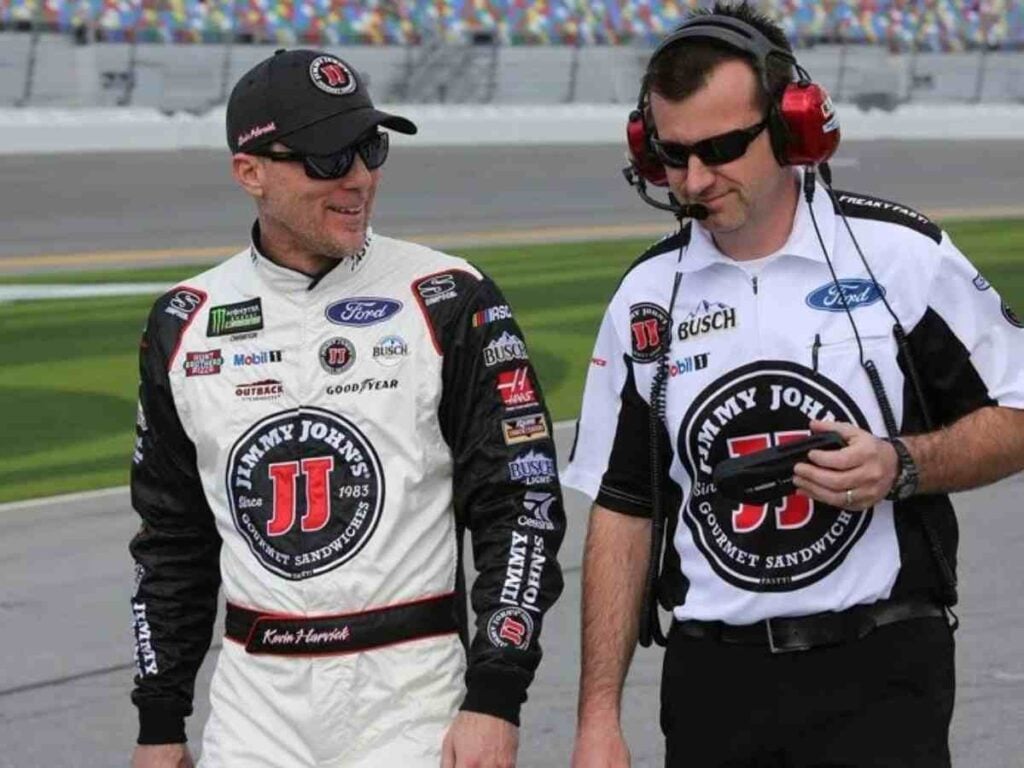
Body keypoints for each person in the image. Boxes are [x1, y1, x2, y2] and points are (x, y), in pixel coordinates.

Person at [565, 3, 1024, 767]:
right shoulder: (645, 297)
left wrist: (902, 465)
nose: (694, 181)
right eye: (673, 156)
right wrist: (597, 718)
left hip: (882, 673)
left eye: (721, 149)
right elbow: (624, 509)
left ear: (793, 128)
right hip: (715, 683)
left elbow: (1018, 410)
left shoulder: (902, 259)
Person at [128, 49, 565, 768]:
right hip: (253, 711)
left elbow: (520, 504)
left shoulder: (448, 295)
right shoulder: (186, 320)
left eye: (371, 146)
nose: (359, 176)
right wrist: (160, 716)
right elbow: (171, 542)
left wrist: (495, 695)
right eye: (329, 157)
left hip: (412, 699)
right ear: (251, 172)